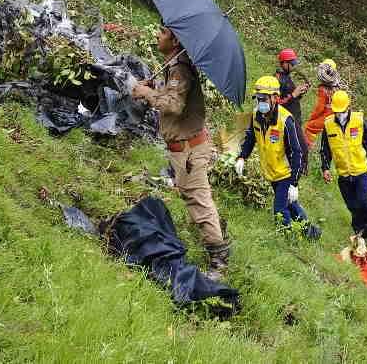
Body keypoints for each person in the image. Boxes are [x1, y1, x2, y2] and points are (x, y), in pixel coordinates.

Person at [131, 26, 231, 275]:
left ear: (175, 40)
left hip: (190, 150)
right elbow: (172, 95)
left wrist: (148, 93)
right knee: (192, 195)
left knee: (198, 198)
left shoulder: (180, 69)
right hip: (183, 149)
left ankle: (219, 257)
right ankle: (217, 227)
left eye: (163, 32)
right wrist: (152, 86)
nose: (157, 35)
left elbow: (173, 105)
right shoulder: (173, 66)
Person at [235, 76, 318, 238]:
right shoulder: (256, 116)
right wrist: (242, 157)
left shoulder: (285, 120)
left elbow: (296, 152)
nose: (261, 103)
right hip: (271, 172)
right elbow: (251, 137)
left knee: (280, 209)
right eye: (258, 99)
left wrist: (294, 182)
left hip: (285, 173)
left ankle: (287, 238)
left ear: (275, 98)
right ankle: (311, 233)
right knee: (291, 204)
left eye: (264, 99)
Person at [320, 90, 367, 241]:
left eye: (342, 111)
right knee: (352, 206)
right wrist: (325, 168)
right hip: (343, 174)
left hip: (361, 170)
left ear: (348, 107)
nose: (339, 114)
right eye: (336, 111)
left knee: (363, 202)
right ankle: (359, 233)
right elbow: (325, 149)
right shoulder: (328, 125)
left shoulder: (359, 120)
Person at [276, 48, 310, 175]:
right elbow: (277, 103)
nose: (294, 66)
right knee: (302, 148)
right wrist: (293, 95)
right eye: (291, 63)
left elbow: (292, 97)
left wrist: (300, 92)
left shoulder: (287, 77)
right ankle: (299, 171)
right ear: (284, 63)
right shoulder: (278, 80)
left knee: (296, 147)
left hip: (295, 117)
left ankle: (298, 170)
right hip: (288, 119)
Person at [304, 59, 340, 148]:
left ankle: (307, 146)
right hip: (337, 113)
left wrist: (312, 117)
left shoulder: (323, 89)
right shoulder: (337, 87)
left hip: (328, 116)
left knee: (309, 126)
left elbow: (319, 108)